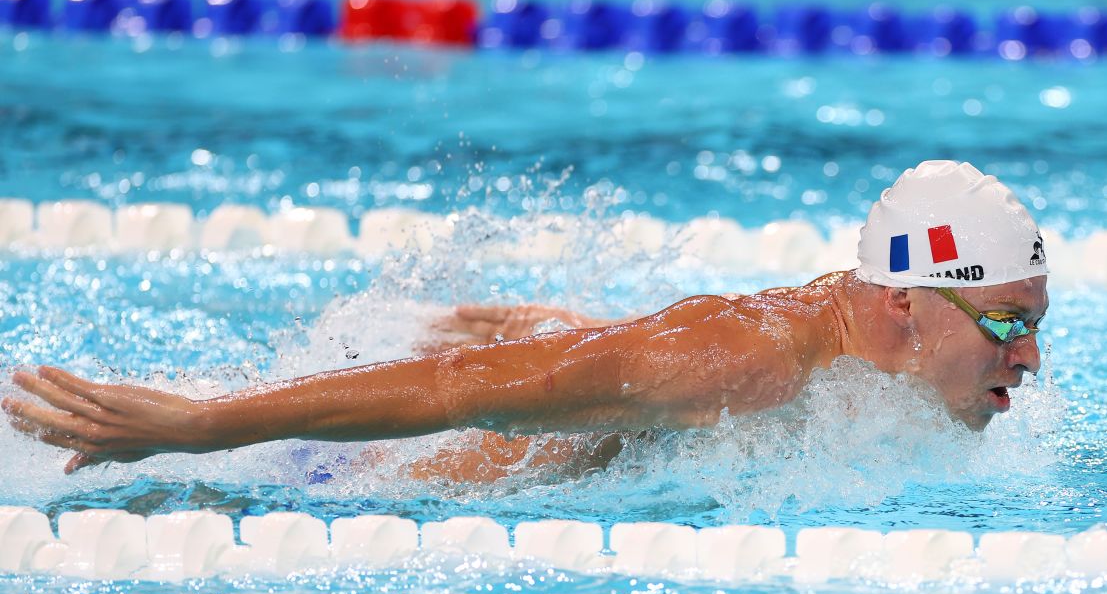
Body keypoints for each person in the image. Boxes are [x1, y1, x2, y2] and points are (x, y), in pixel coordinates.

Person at [2, 160, 1049, 478]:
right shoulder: (744, 358)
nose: (1031, 357)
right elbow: (453, 393)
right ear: (908, 300)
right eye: (1008, 323)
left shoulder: (857, 333)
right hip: (336, 474)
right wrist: (197, 426)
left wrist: (582, 338)